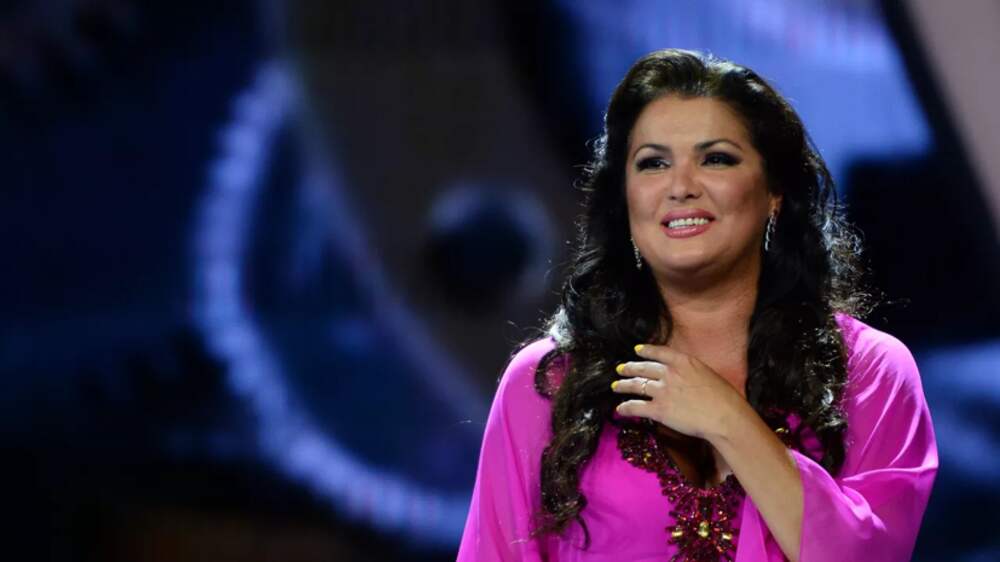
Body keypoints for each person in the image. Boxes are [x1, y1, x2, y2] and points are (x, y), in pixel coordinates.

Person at [455, 49, 937, 562]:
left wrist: (728, 420)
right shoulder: (551, 384)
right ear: (625, 200)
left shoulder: (868, 371)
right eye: (653, 163)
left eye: (716, 159)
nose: (681, 187)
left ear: (773, 192)